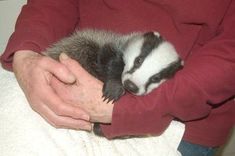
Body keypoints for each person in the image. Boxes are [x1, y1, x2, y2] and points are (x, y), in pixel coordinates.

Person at [1, 0, 235, 156]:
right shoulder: (122, 54)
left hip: (182, 113)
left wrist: (130, 111)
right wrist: (27, 55)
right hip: (87, 56)